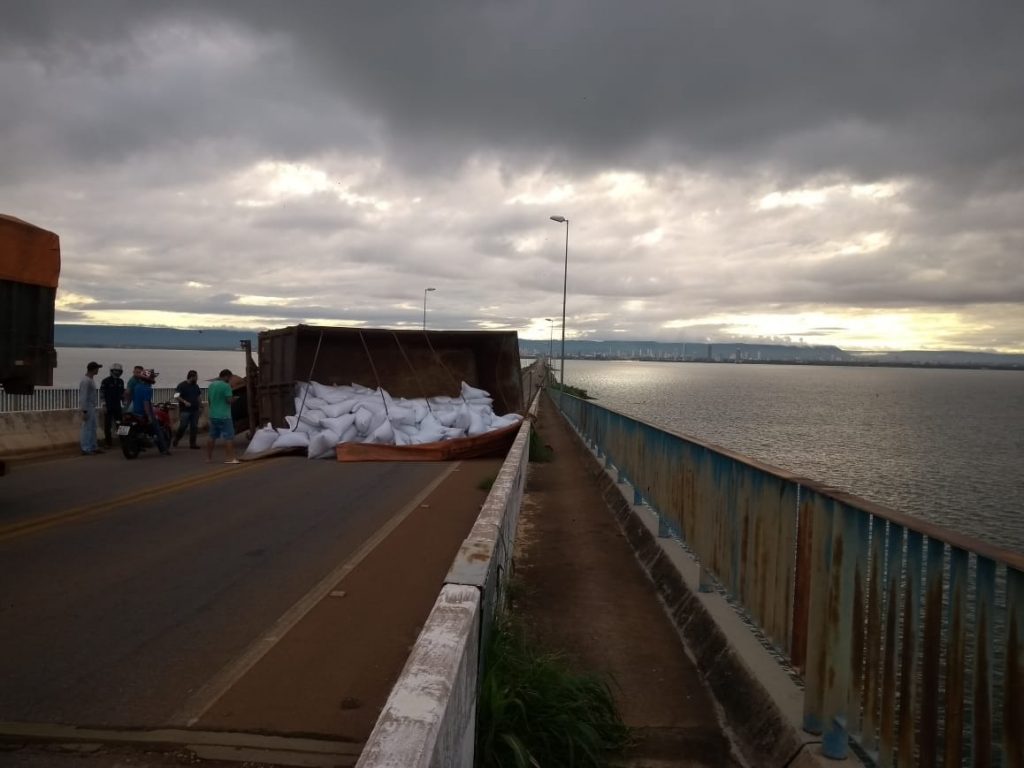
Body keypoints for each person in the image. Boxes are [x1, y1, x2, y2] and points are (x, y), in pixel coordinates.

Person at [132, 368, 170, 456]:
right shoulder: (148, 389)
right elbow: (145, 403)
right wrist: (149, 415)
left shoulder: (137, 386)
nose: (154, 379)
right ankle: (164, 450)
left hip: (135, 412)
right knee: (158, 430)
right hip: (143, 413)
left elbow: (135, 399)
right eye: (153, 377)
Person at [206, 368, 239, 464]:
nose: (230, 380)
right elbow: (228, 400)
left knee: (212, 436)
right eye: (230, 378)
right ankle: (230, 458)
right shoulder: (226, 386)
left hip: (213, 415)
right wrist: (235, 399)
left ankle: (208, 458)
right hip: (224, 416)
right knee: (229, 437)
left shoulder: (211, 385)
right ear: (226, 376)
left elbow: (209, 400)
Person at [173, 369, 202, 449]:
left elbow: (198, 396)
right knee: (183, 426)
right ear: (192, 377)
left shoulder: (196, 386)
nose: (197, 379)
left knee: (194, 427)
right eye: (196, 377)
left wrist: (201, 405)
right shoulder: (182, 385)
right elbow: (176, 396)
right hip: (185, 410)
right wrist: (184, 402)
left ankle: (193, 444)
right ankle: (177, 439)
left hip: (195, 410)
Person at [79, 361, 103, 455]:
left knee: (93, 427)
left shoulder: (90, 379)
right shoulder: (86, 381)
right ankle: (86, 448)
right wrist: (84, 410)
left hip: (92, 406)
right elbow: (83, 396)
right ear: (93, 369)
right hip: (88, 407)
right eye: (97, 368)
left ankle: (93, 446)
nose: (98, 370)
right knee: (87, 428)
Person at [99, 363, 125, 448]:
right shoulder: (105, 381)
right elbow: (102, 394)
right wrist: (104, 405)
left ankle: (124, 440)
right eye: (115, 370)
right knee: (108, 425)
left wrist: (124, 402)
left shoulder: (121, 381)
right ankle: (108, 443)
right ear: (112, 371)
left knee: (121, 424)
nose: (117, 372)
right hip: (108, 406)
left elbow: (122, 394)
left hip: (117, 406)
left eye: (118, 371)